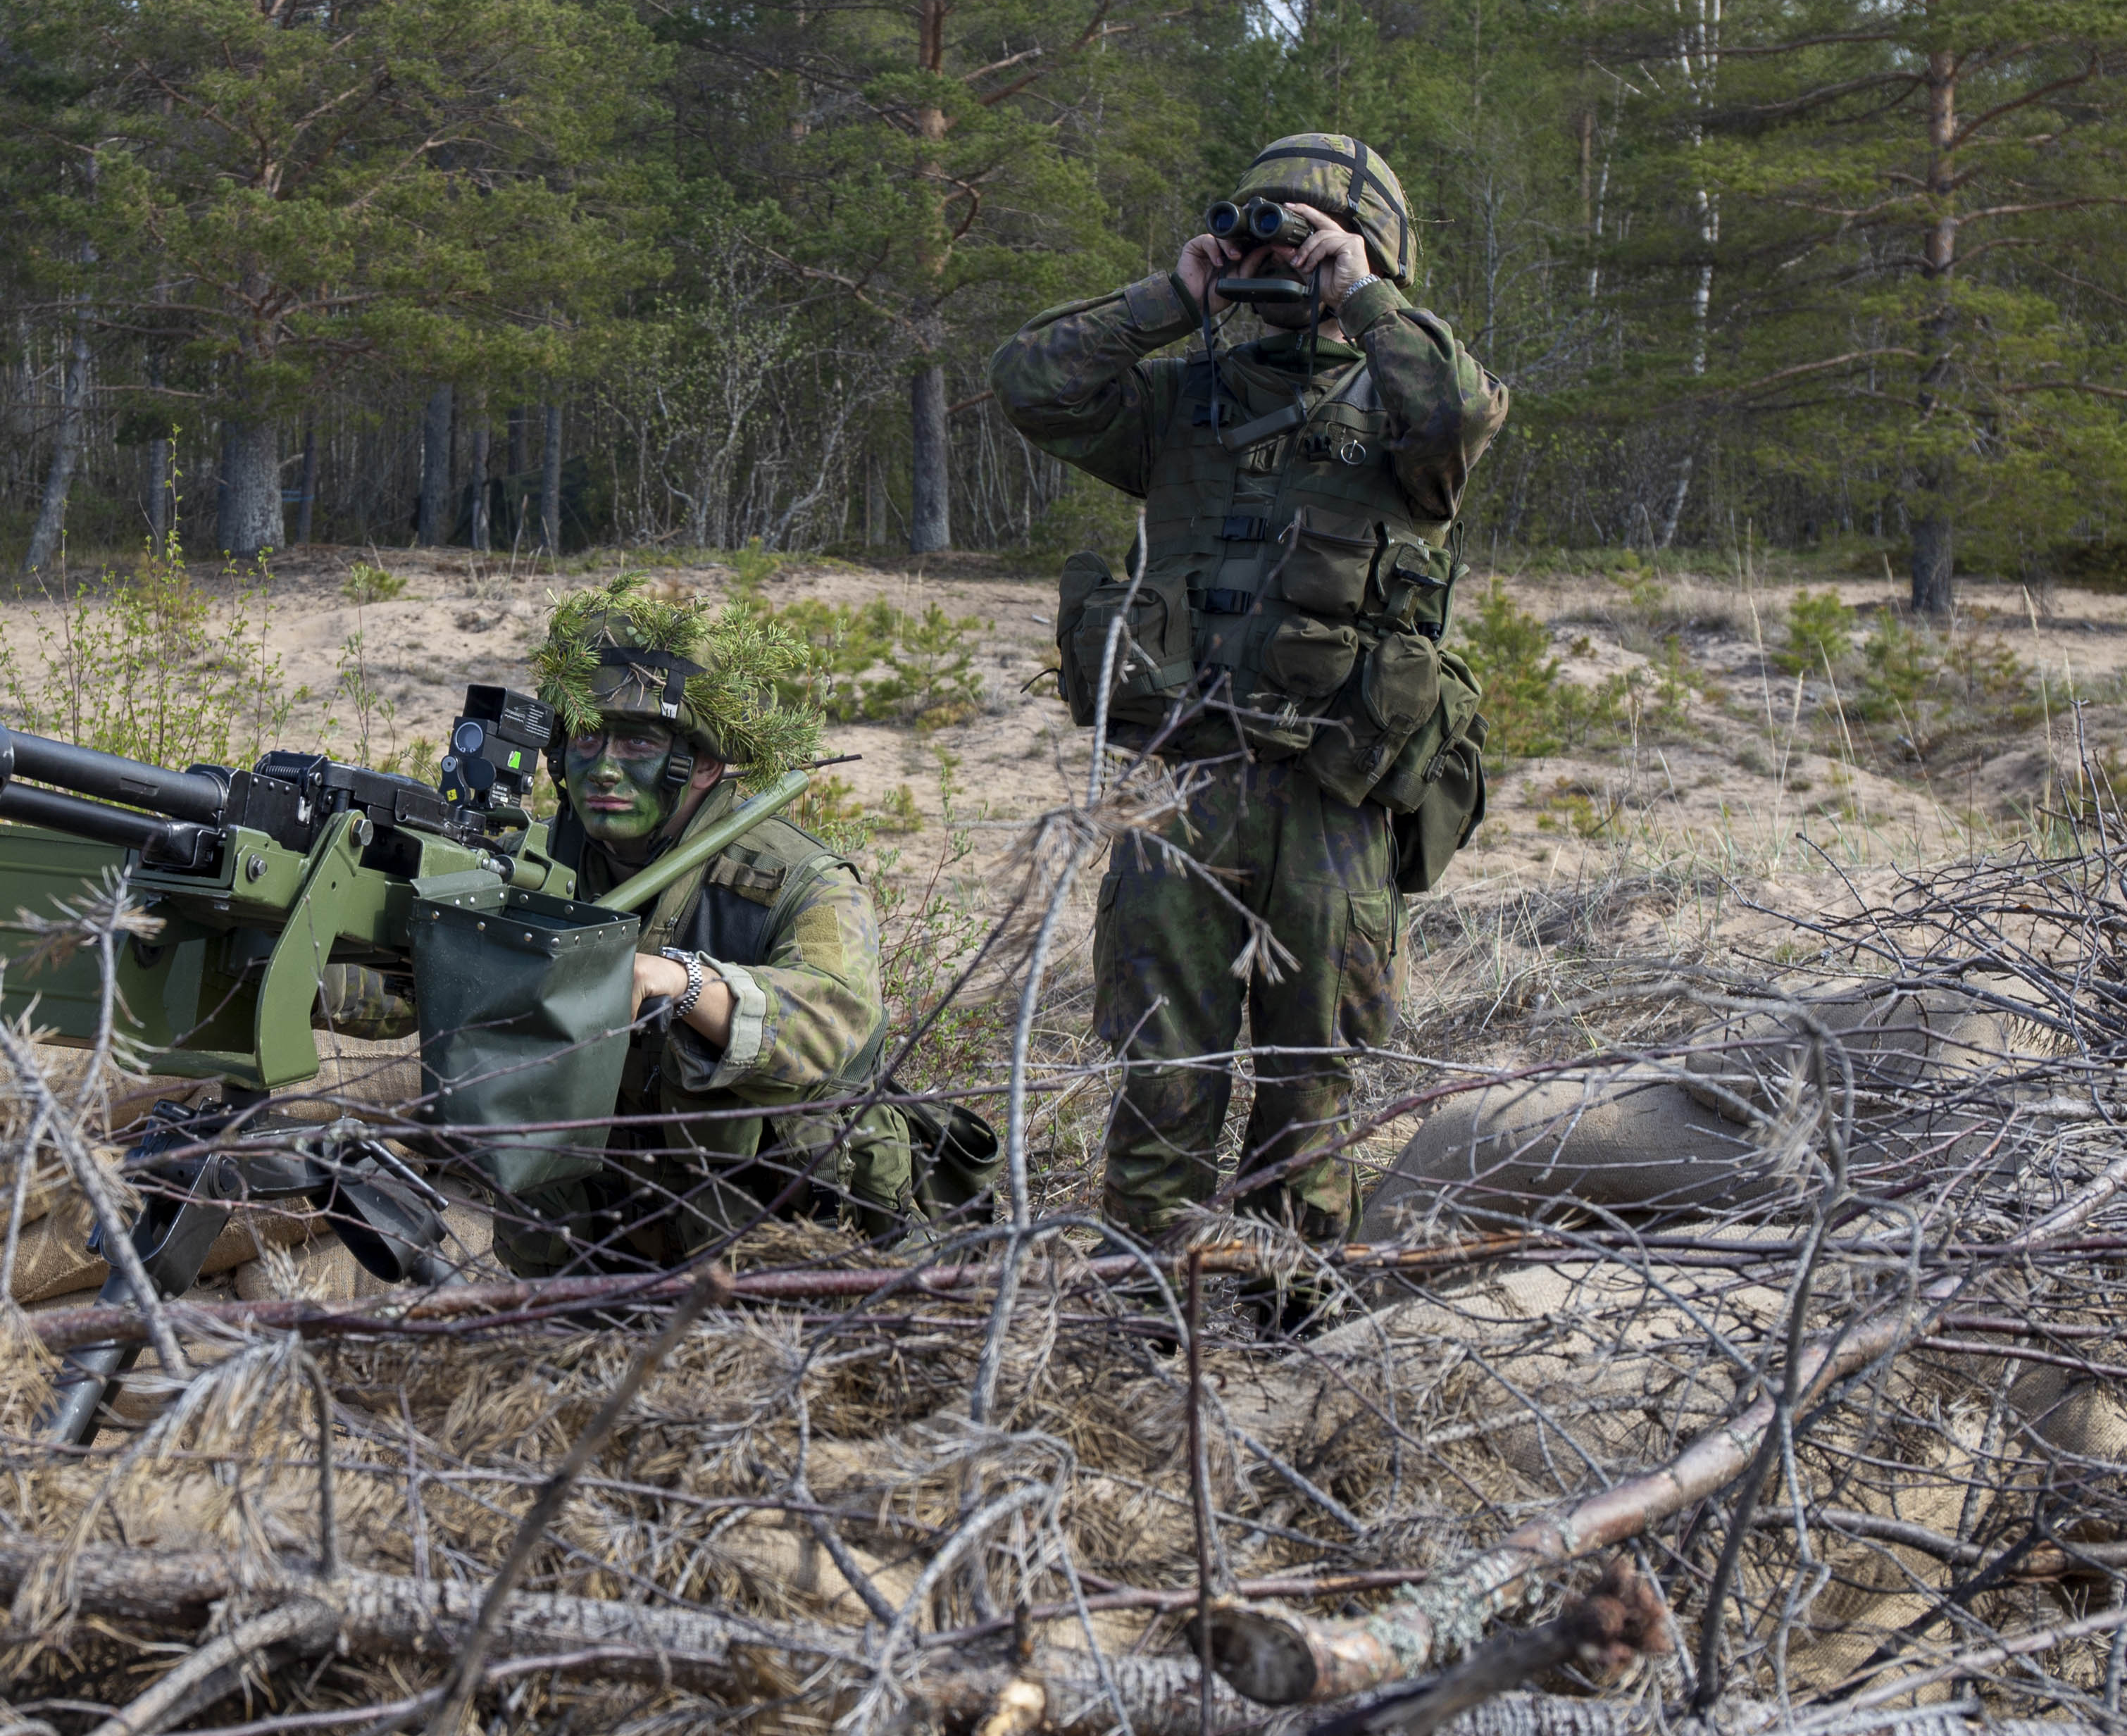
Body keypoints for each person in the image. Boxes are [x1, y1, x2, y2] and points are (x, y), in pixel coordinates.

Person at [989, 135, 1510, 1247]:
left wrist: (1361, 295)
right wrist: (1169, 295)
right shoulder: (1181, 402)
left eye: (1308, 230)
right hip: (1181, 784)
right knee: (1159, 1082)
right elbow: (1027, 381)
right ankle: (1151, 1305)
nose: (1280, 248)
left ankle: (1296, 1316)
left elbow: (1460, 416)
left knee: (1311, 1095)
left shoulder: (1412, 411)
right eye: (1260, 225)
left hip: (1331, 793)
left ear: (1374, 251)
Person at [320, 577, 917, 1272]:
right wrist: (303, 959)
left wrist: (682, 983)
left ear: (703, 764)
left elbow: (833, 1025)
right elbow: (407, 993)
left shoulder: (794, 881)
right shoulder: (534, 863)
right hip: (588, 1249)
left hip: (781, 1259)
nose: (603, 767)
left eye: (635, 744)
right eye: (586, 738)